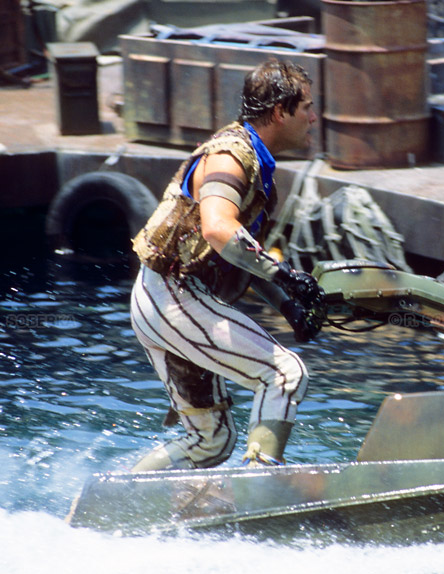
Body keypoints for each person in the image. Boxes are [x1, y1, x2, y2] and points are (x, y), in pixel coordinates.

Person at [128, 59, 325, 471]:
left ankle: (117, 503)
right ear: (279, 112)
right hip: (172, 297)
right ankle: (259, 488)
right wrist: (285, 274)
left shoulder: (256, 160)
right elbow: (219, 230)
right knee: (285, 374)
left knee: (211, 443)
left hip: (165, 300)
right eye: (306, 106)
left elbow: (241, 255)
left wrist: (289, 307)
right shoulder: (230, 156)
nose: (313, 116)